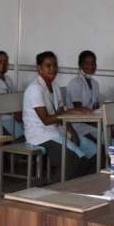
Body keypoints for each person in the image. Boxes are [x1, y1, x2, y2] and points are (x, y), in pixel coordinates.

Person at [22, 51, 98, 179]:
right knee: (74, 159)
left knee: (94, 153)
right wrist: (69, 112)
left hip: (57, 131)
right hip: (40, 135)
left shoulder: (55, 86)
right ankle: (54, 187)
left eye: (55, 65)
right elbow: (46, 120)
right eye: (48, 66)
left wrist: (72, 132)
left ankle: (78, 185)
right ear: (39, 68)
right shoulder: (35, 88)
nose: (52, 69)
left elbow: (62, 115)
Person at [65, 50, 104, 141]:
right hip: (77, 124)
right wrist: (100, 125)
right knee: (104, 138)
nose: (91, 66)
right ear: (80, 65)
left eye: (93, 63)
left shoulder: (95, 84)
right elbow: (79, 113)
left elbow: (95, 109)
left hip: (92, 122)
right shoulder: (75, 83)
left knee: (112, 136)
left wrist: (102, 123)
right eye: (87, 63)